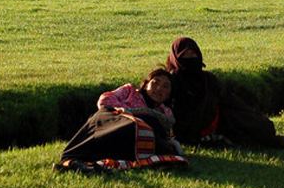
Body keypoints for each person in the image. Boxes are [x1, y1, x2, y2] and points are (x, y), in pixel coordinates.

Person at [166, 37, 284, 149]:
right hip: (186, 133)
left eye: (192, 53)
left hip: (216, 124)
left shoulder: (208, 79)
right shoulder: (171, 82)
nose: (190, 58)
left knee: (259, 127)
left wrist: (252, 115)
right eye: (185, 55)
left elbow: (230, 100)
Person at [56, 69, 188, 173]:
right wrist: (126, 113)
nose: (159, 88)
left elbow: (164, 134)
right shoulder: (129, 91)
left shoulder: (165, 114)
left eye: (165, 86)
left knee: (142, 130)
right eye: (155, 82)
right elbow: (105, 101)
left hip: (131, 137)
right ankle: (75, 155)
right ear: (146, 83)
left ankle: (88, 161)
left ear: (169, 94)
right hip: (112, 121)